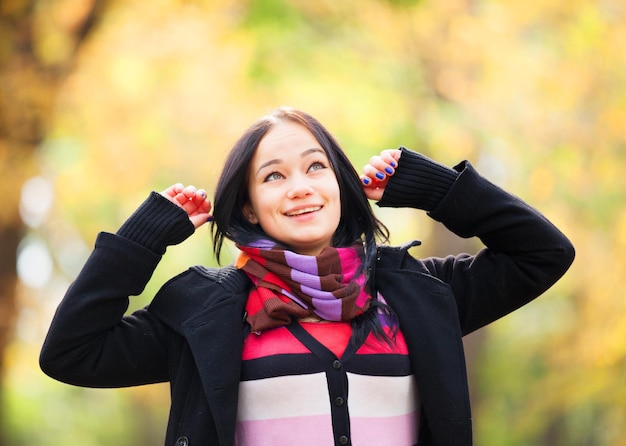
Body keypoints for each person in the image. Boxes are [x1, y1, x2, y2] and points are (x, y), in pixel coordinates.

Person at [40, 106, 575, 446]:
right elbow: (72, 352)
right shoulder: (207, 314)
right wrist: (144, 238)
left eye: (316, 167)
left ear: (341, 185)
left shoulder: (418, 294)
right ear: (248, 207)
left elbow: (543, 253)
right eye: (273, 176)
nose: (299, 186)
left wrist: (435, 189)